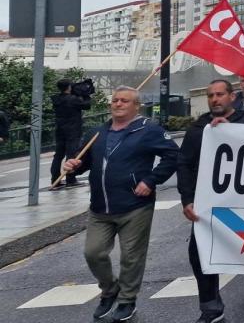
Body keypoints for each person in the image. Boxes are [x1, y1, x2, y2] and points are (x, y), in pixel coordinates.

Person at [62, 86, 179, 323]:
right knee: (93, 252)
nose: (118, 104)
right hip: (100, 207)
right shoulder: (97, 132)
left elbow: (172, 156)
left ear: (136, 106)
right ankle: (109, 289)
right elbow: (85, 162)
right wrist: (73, 166)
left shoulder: (148, 130)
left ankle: (127, 300)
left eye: (124, 101)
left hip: (135, 205)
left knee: (131, 257)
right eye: (115, 100)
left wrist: (150, 180)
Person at [178, 80, 244, 323]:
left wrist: (232, 133)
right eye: (210, 95)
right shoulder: (198, 128)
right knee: (199, 252)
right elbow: (184, 163)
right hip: (208, 204)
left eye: (220, 94)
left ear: (232, 96)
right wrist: (187, 199)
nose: (215, 99)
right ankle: (211, 307)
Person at [50, 78, 92, 189]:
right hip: (72, 130)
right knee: (71, 155)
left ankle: (55, 179)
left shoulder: (56, 99)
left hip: (60, 129)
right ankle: (71, 179)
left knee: (58, 155)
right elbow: (87, 105)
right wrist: (86, 94)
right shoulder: (73, 99)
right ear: (68, 87)